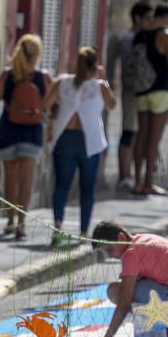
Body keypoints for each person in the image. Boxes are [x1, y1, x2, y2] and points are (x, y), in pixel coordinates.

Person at [43, 47, 117, 246]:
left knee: (61, 186)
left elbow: (46, 103)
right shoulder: (99, 85)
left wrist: (53, 119)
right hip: (90, 142)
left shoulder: (62, 82)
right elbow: (112, 105)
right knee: (87, 188)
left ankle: (58, 229)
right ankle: (84, 231)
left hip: (65, 138)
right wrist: (103, 79)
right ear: (95, 66)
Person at [88, 221, 168, 337]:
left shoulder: (130, 254)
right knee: (128, 285)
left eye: (110, 250)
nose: (109, 256)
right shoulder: (142, 240)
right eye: (105, 253)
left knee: (115, 291)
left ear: (121, 238)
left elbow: (124, 303)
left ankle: (166, 325)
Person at [0, 34, 51, 240]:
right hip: (32, 132)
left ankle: (10, 221)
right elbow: (51, 105)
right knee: (26, 181)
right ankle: (22, 223)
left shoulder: (7, 75)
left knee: (10, 180)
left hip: (8, 130)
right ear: (37, 54)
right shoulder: (43, 77)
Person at [132, 3, 168, 196]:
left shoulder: (141, 35)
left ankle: (137, 182)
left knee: (141, 136)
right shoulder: (167, 35)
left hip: (141, 91)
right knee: (154, 139)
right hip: (160, 91)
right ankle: (148, 183)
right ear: (167, 17)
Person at [115, 2, 151, 190]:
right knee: (129, 131)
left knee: (136, 132)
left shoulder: (139, 37)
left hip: (140, 91)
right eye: (147, 17)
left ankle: (130, 173)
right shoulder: (130, 39)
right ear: (137, 18)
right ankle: (124, 175)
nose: (150, 21)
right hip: (131, 90)